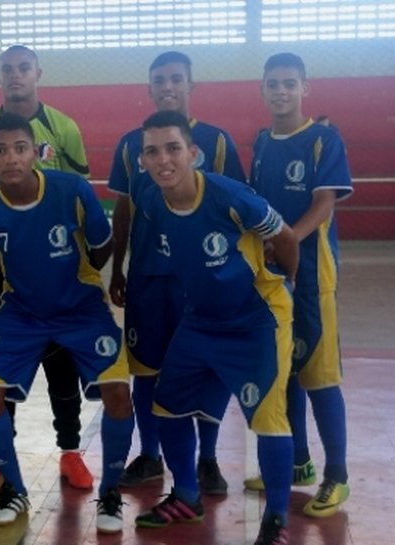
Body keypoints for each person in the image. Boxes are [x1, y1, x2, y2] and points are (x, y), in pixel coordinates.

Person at [132, 110, 299, 545]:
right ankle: (187, 497)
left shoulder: (230, 196)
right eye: (152, 151)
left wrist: (287, 281)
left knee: (268, 418)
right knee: (167, 406)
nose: (163, 159)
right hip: (201, 320)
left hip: (256, 320)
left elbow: (286, 238)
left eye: (173, 148)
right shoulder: (151, 202)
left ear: (193, 153)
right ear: (143, 160)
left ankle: (277, 519)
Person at [0, 113, 134, 533]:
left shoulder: (71, 190)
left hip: (82, 310)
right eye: (0, 150)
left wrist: (71, 281)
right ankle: (15, 488)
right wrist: (24, 280)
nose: (11, 158)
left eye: (20, 148)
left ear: (36, 153)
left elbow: (101, 246)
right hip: (21, 313)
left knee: (118, 393)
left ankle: (110, 491)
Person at [107, 51, 245, 494]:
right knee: (146, 369)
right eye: (159, 80)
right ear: (149, 88)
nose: (167, 86)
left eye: (175, 79)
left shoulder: (216, 142)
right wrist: (117, 267)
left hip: (201, 279)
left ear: (190, 85)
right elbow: (124, 208)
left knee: (205, 368)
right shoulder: (131, 144)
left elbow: (238, 208)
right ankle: (150, 455)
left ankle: (208, 459)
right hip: (147, 277)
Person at [0, 44, 92, 489]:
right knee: (2, 362)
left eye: (23, 68)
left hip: (60, 273)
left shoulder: (64, 127)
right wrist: (7, 264)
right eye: (8, 69)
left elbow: (79, 198)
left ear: (38, 73)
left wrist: (72, 265)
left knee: (63, 362)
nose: (16, 75)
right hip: (5, 276)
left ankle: (71, 451)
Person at [247, 52, 353, 518]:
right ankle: (297, 462)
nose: (281, 91)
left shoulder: (323, 140)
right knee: (285, 370)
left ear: (304, 88)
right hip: (272, 276)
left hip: (312, 276)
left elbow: (325, 202)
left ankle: (338, 476)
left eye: (289, 83)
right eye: (273, 83)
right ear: (263, 89)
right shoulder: (261, 141)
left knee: (320, 377)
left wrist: (287, 239)